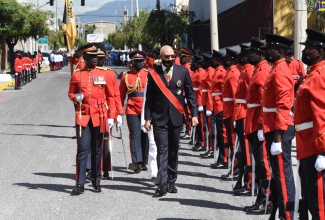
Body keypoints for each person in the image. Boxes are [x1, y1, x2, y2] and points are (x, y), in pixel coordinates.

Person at [68, 43, 124, 195]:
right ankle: (79, 184)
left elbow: (112, 96)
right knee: (82, 149)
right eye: (91, 57)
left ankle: (96, 180)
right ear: (84, 58)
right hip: (83, 115)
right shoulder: (77, 74)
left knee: (97, 150)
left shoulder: (104, 73)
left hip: (100, 115)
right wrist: (76, 98)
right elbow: (71, 93)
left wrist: (114, 115)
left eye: (96, 57)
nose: (95, 59)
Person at [144, 45, 199, 196]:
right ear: (160, 57)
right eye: (166, 57)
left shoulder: (183, 71)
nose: (169, 59)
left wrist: (194, 114)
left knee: (173, 150)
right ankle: (161, 183)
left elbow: (190, 95)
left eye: (172, 57)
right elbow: (149, 98)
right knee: (162, 150)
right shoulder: (154, 73)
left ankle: (171, 181)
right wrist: (147, 118)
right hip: (159, 118)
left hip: (176, 118)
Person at [261, 33, 296, 219]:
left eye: (270, 49)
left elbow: (283, 105)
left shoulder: (281, 71)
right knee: (277, 173)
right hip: (272, 126)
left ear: (280, 51)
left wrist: (277, 138)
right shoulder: (276, 69)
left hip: (279, 129)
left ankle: (287, 216)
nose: (267, 51)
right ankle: (278, 211)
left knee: (283, 175)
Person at [295, 28, 325, 220]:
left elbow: (322, 114)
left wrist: (323, 151)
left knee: (318, 202)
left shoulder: (320, 76)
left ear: (321, 51)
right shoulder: (311, 74)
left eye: (310, 48)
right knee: (309, 196)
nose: (306, 52)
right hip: (306, 145)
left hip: (315, 147)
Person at [244, 37, 272, 214]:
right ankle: (261, 198)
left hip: (257, 122)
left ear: (261, 54)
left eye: (252, 53)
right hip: (253, 120)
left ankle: (266, 200)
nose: (249, 55)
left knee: (263, 164)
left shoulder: (262, 72)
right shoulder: (258, 70)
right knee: (260, 163)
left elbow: (264, 101)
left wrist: (262, 125)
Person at [119, 51, 149, 173]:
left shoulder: (149, 74)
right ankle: (136, 161)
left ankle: (144, 161)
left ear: (144, 62)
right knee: (135, 134)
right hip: (132, 108)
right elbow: (120, 95)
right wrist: (119, 112)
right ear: (132, 62)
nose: (139, 63)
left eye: (141, 61)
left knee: (145, 134)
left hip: (146, 108)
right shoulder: (126, 76)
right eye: (136, 62)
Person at [209, 50, 227, 169]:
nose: (212, 61)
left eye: (214, 59)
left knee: (222, 133)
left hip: (221, 104)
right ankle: (221, 157)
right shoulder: (217, 71)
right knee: (220, 133)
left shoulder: (221, 72)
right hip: (216, 104)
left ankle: (224, 158)